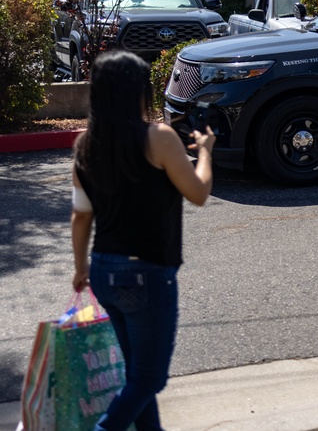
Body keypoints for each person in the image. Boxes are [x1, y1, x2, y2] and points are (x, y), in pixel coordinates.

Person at [70, 50, 215, 431]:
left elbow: (81, 214)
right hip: (147, 271)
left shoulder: (85, 145)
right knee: (149, 379)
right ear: (138, 91)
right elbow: (198, 193)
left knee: (136, 374)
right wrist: (205, 154)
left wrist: (81, 267)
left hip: (103, 270)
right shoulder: (160, 137)